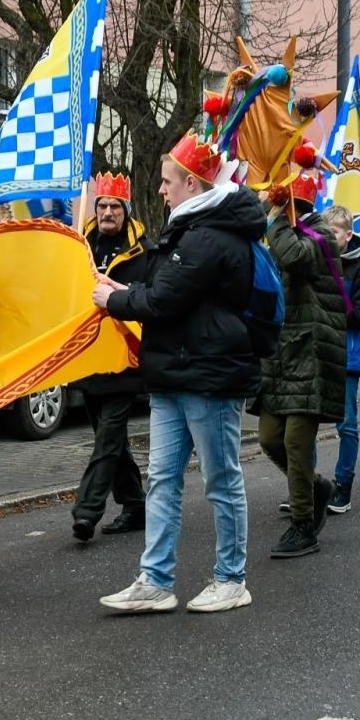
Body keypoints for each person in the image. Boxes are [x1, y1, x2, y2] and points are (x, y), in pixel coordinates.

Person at [93, 133, 265, 614]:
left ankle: (232, 579)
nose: (162, 190)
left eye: (168, 182)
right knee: (163, 480)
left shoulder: (209, 235)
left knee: (220, 479)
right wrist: (124, 287)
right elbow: (166, 285)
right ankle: (155, 580)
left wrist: (114, 299)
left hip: (207, 375)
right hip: (176, 372)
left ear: (191, 182)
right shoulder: (193, 227)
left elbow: (165, 299)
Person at [251, 173, 347, 559]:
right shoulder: (282, 231)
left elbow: (291, 255)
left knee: (295, 440)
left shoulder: (318, 237)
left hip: (312, 349)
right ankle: (317, 487)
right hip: (280, 351)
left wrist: (275, 214)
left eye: (277, 203)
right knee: (269, 438)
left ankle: (303, 525)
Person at [70, 173, 151, 542]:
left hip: (124, 359)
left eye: (114, 206)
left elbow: (151, 295)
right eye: (101, 205)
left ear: (125, 210)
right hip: (87, 357)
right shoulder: (79, 245)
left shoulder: (144, 250)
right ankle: (135, 505)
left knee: (106, 439)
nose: (106, 212)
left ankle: (87, 510)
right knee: (112, 441)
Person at [321, 205, 360, 514]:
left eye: (333, 233)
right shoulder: (315, 264)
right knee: (306, 423)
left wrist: (329, 313)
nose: (327, 239)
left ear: (348, 235)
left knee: (347, 424)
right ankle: (310, 485)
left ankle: (343, 486)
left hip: (346, 357)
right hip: (317, 356)